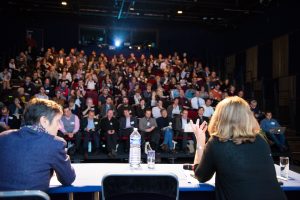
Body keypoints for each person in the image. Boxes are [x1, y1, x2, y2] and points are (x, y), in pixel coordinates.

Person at [192, 96, 286, 200]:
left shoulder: (216, 142)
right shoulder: (261, 140)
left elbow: (200, 176)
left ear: (220, 116)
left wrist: (200, 142)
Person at [0, 98, 76, 191]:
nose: (60, 126)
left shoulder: (3, 137)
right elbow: (68, 179)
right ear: (44, 121)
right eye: (57, 121)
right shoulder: (55, 143)